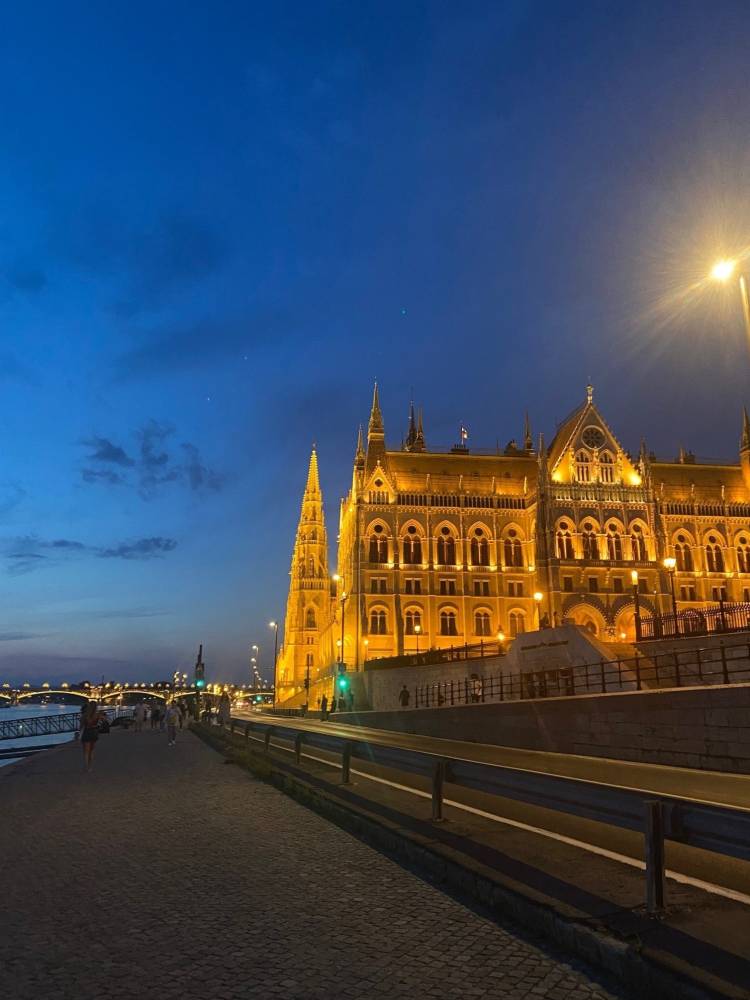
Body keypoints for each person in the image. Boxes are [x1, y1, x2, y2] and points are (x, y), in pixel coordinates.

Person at [80, 700, 103, 772]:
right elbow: (101, 722)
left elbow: (81, 726)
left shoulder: (85, 715)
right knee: (92, 751)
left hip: (87, 732)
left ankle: (86, 767)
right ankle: (90, 767)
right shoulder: (97, 715)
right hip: (94, 733)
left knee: (86, 751)